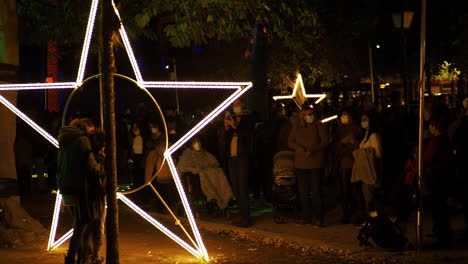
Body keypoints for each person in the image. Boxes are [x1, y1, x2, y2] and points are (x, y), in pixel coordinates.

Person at [56, 118, 104, 264]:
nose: (92, 134)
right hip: (79, 186)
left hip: (66, 185)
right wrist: (101, 168)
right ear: (85, 128)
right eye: (91, 131)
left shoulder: (65, 139)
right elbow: (89, 163)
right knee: (82, 223)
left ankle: (78, 257)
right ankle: (75, 258)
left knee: (79, 222)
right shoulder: (82, 140)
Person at [288, 104, 329, 226]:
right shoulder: (297, 127)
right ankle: (306, 216)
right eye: (308, 114)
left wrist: (313, 149)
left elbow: (325, 141)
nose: (311, 116)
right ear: (303, 116)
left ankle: (318, 217)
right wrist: (299, 148)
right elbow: (290, 141)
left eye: (312, 114)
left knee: (316, 191)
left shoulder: (319, 126)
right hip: (301, 163)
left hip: (315, 163)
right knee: (303, 191)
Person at [177, 138, 233, 211]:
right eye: (195, 143)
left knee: (219, 173)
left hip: (210, 173)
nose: (198, 144)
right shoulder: (188, 153)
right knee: (205, 175)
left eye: (198, 142)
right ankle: (212, 197)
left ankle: (225, 196)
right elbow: (183, 167)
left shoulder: (205, 153)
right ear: (191, 144)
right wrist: (195, 170)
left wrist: (212, 167)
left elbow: (213, 162)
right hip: (196, 178)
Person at [424, 117, 454, 247]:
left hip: (438, 177)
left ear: (434, 127)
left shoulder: (436, 141)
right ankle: (442, 233)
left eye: (431, 126)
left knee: (439, 207)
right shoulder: (446, 139)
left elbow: (427, 158)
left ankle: (443, 236)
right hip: (445, 176)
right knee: (441, 207)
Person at [225, 98, 255, 227]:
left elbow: (247, 133)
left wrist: (235, 125)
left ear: (242, 105)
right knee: (236, 187)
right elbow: (227, 138)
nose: (235, 106)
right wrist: (227, 126)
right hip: (232, 157)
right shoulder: (232, 117)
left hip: (242, 155)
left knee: (242, 187)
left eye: (237, 104)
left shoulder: (248, 118)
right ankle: (241, 214)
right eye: (233, 104)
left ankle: (246, 217)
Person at [332, 108, 362, 224]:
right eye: (343, 115)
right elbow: (334, 147)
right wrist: (341, 143)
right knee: (344, 190)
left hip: (355, 162)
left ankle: (357, 214)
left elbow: (360, 145)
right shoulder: (339, 130)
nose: (344, 117)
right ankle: (346, 213)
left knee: (356, 190)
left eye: (346, 115)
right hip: (343, 164)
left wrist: (352, 143)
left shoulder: (357, 129)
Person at [351, 112, 382, 220]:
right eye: (362, 119)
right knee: (367, 195)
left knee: (370, 197)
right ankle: (371, 219)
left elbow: (378, 153)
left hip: (371, 170)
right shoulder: (366, 135)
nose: (363, 122)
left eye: (365, 119)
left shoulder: (373, 136)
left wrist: (364, 152)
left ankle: (374, 220)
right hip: (365, 171)